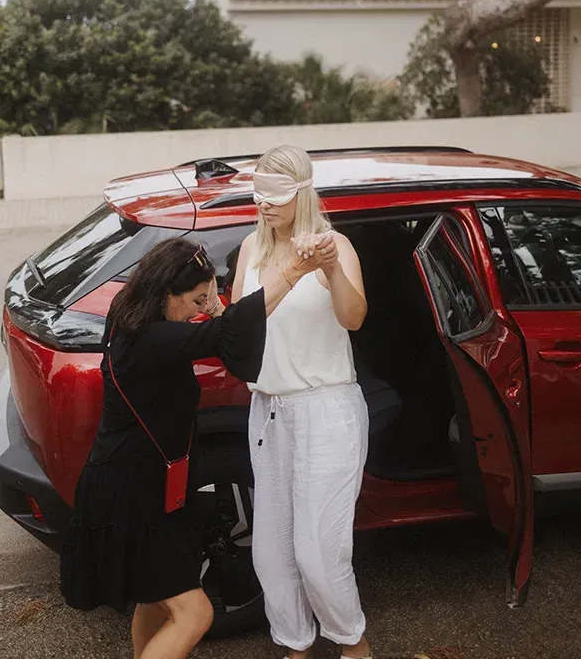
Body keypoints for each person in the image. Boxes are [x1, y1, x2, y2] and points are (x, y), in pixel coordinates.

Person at [60, 236, 328, 659]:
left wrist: (212, 303)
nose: (197, 311)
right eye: (195, 300)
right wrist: (293, 272)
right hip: (129, 494)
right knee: (194, 614)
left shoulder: (128, 313)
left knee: (153, 599)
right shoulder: (153, 340)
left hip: (143, 485)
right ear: (168, 291)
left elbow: (225, 326)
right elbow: (232, 329)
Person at [232, 144, 371, 659]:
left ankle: (353, 644)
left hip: (326, 409)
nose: (262, 203)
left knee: (319, 550)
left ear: (302, 192)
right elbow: (240, 328)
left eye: (274, 194)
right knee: (271, 553)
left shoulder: (335, 245)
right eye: (257, 192)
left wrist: (330, 269)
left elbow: (354, 318)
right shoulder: (251, 248)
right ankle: (296, 645)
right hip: (268, 412)